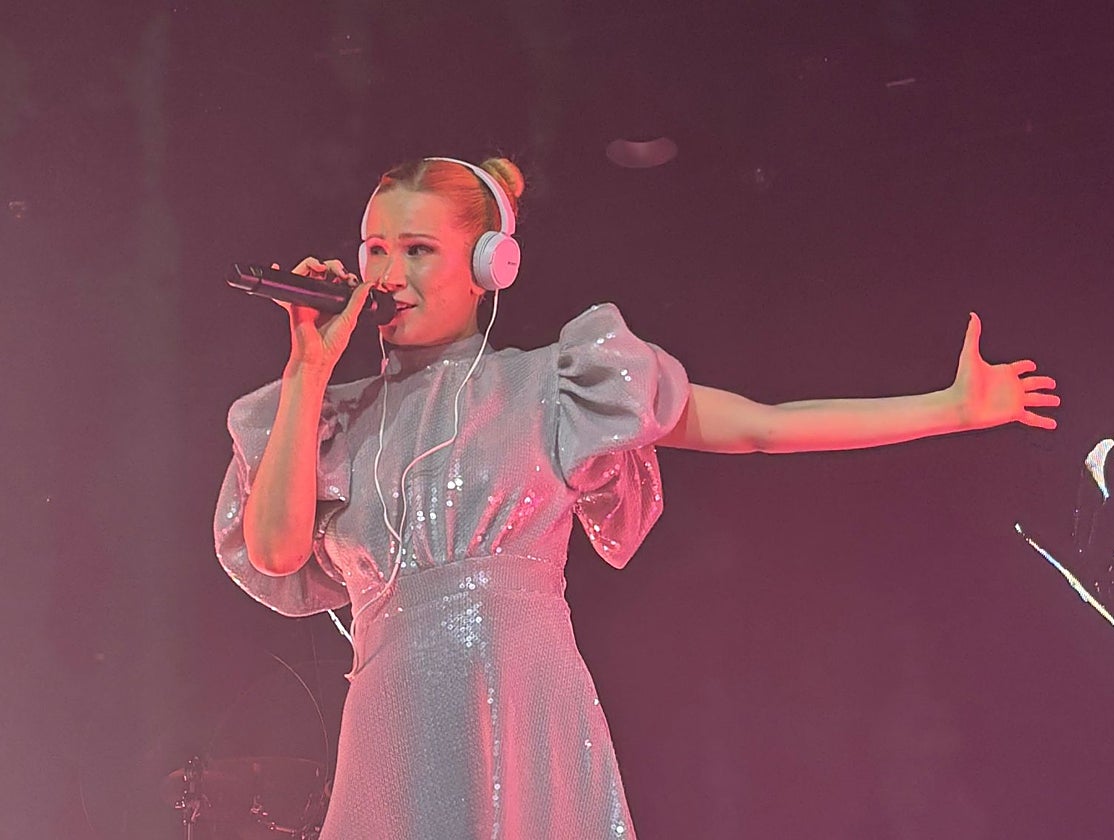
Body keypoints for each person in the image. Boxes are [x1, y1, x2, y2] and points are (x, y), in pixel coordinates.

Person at [214, 156, 1059, 839]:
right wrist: (306, 372)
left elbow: (759, 427)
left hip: (528, 718)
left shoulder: (553, 387)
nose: (388, 272)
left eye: (418, 249)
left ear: (488, 265)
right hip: (391, 740)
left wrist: (949, 409)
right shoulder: (330, 416)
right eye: (374, 249)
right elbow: (278, 552)